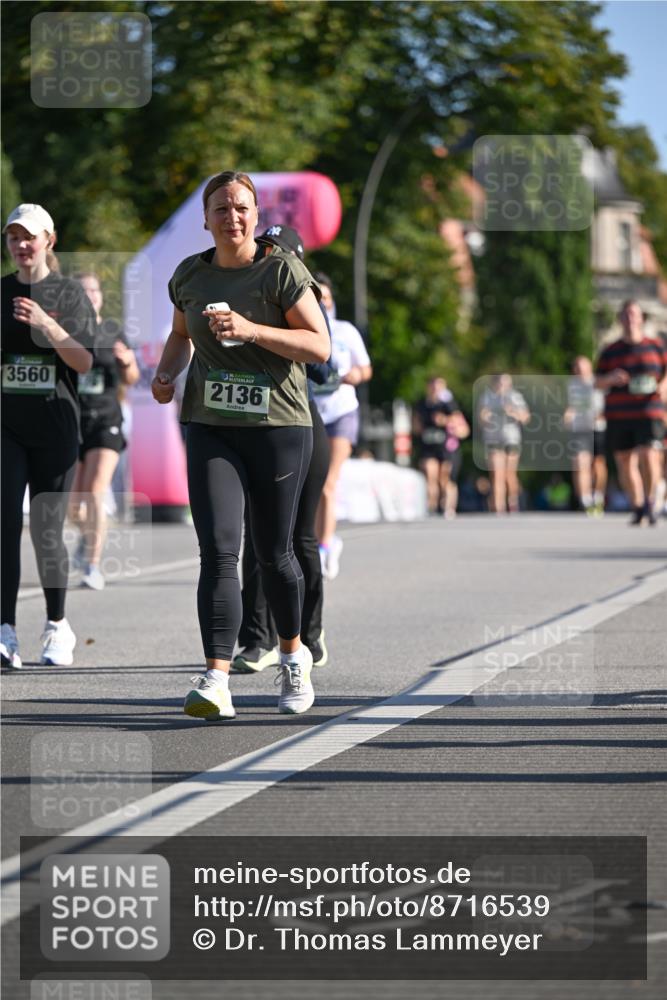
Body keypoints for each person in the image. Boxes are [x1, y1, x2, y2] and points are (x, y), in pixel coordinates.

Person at [151, 172, 329, 721]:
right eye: (222, 209)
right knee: (219, 550)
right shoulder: (189, 275)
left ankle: (293, 655)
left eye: (242, 208)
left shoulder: (280, 270)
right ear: (206, 220)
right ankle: (217, 677)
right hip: (211, 425)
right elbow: (182, 335)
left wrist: (251, 329)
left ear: (256, 215)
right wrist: (164, 376)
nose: (233, 217)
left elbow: (318, 345)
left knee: (274, 552)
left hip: (279, 427)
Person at [233, 226, 334, 673]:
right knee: (255, 539)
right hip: (253, 426)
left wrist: (269, 336)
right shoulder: (240, 295)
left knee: (299, 539)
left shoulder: (304, 299)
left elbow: (326, 372)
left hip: (300, 426)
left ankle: (309, 635)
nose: (269, 256)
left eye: (279, 252)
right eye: (265, 249)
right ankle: (257, 640)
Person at [1, 203, 96, 669]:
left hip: (56, 427)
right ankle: (5, 631)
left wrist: (46, 325)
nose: (21, 245)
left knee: (45, 531)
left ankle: (57, 624)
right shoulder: (0, 293)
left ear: (49, 241)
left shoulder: (69, 293)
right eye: (13, 237)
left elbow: (84, 362)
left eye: (29, 237)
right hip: (6, 429)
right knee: (2, 526)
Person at [68, 272, 140, 590]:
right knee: (70, 503)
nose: (89, 296)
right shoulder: (64, 332)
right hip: (72, 422)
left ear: (100, 296)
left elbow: (133, 377)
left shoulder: (113, 332)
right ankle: (88, 536)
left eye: (93, 290)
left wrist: (126, 363)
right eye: (82, 292)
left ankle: (93, 566)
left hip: (106, 420)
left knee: (96, 490)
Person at [312, 273, 372, 579]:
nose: (323, 303)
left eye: (327, 297)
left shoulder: (345, 331)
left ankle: (323, 548)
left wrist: (355, 376)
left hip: (342, 412)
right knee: (310, 484)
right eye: (316, 297)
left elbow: (366, 368)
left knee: (327, 482)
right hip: (312, 413)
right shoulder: (303, 328)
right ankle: (323, 540)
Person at [595, 300, 667, 526]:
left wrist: (663, 386)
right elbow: (596, 381)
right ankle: (637, 506)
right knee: (625, 462)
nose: (630, 319)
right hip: (619, 414)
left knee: (650, 455)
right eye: (626, 315)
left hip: (650, 411)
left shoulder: (656, 346)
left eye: (634, 314)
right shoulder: (610, 350)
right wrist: (610, 379)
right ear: (620, 319)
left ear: (641, 318)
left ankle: (651, 501)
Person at [413, 376, 469, 517]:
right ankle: (431, 506)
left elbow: (462, 428)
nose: (435, 389)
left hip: (447, 448)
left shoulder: (449, 405)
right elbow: (416, 427)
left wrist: (445, 420)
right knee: (430, 474)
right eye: (433, 386)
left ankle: (448, 506)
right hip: (428, 447)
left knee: (445, 478)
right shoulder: (421, 405)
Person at [478, 373, 530, 513]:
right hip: (493, 438)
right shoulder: (487, 397)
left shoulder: (515, 397)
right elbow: (481, 417)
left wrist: (512, 412)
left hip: (510, 438)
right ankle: (498, 507)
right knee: (496, 473)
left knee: (509, 474)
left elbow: (526, 417)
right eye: (501, 383)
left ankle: (513, 501)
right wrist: (486, 417)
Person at [564, 356, 608, 515]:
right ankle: (585, 500)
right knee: (580, 463)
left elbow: (607, 403)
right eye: (576, 368)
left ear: (589, 368)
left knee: (598, 464)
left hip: (597, 428)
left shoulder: (599, 382)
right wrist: (568, 414)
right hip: (579, 429)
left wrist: (602, 414)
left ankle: (598, 496)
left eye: (581, 367)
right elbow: (573, 405)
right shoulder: (572, 385)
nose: (579, 371)